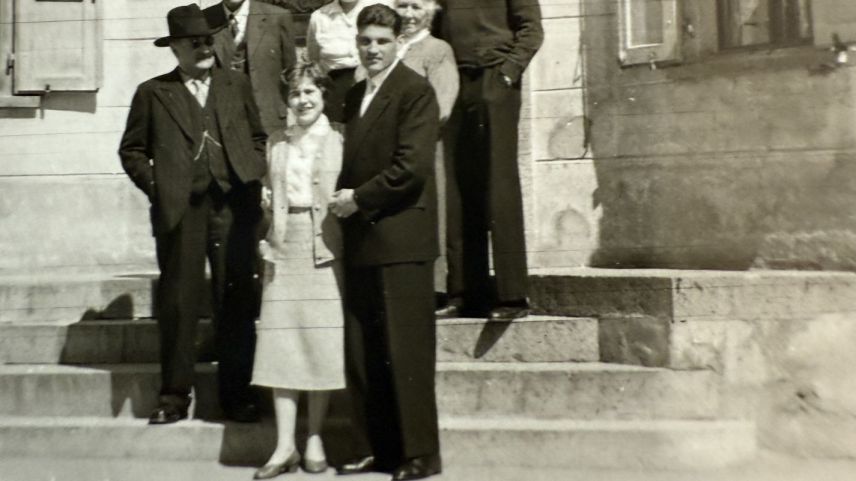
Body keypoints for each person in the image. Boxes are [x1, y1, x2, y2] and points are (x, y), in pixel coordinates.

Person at [119, 4, 267, 424]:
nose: (204, 47)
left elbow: (258, 136)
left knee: (235, 300)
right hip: (181, 212)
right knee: (180, 304)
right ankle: (173, 397)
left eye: (206, 40)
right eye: (194, 42)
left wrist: (252, 172)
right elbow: (132, 151)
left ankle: (237, 397)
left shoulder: (235, 84)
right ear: (176, 49)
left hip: (234, 207)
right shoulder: (153, 92)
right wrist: (158, 187)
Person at [330, 5, 441, 480]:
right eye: (365, 41)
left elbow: (410, 167)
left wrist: (358, 199)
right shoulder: (354, 94)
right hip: (361, 241)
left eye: (381, 41)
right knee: (365, 351)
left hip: (401, 239)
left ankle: (420, 454)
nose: (372, 50)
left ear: (398, 42)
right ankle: (379, 448)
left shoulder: (415, 91)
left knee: (407, 351)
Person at [251, 63, 346, 479]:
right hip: (283, 246)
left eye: (310, 92)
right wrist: (267, 199)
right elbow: (270, 191)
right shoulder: (277, 143)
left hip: (324, 245)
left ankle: (314, 438)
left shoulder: (340, 138)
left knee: (318, 342)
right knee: (281, 342)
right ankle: (284, 444)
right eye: (295, 93)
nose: (303, 100)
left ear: (323, 96)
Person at [436, 0, 544, 320]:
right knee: (457, 188)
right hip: (454, 83)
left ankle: (512, 296)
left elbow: (532, 30)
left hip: (495, 78)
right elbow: (435, 26)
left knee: (499, 184)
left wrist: (508, 74)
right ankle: (465, 292)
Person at [393, 0, 458, 298]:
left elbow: (441, 106)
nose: (408, 14)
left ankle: (434, 288)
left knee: (428, 211)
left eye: (416, 7)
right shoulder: (388, 46)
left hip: (422, 147)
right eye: (402, 5)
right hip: (387, 150)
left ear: (430, 13)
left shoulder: (438, 50)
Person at [204, 0, 298, 135]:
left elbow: (291, 72)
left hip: (269, 122)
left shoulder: (278, 16)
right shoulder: (203, 19)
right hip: (223, 125)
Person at [305, 0, 392, 122]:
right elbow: (313, 60)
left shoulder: (380, 8)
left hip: (374, 83)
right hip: (335, 91)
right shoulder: (319, 17)